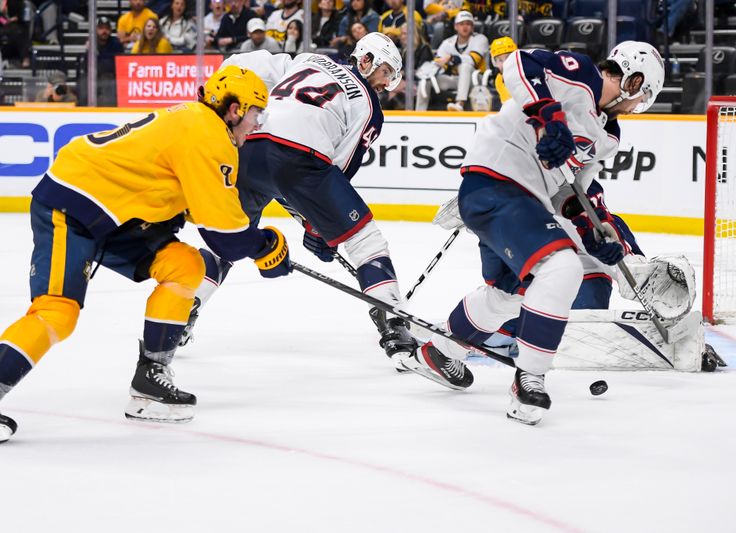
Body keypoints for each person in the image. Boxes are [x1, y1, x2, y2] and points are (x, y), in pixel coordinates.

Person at [0, 66, 292, 443]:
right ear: (235, 109)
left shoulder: (194, 121)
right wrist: (265, 245)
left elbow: (188, 205)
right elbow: (227, 239)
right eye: (256, 113)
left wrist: (253, 242)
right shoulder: (209, 135)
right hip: (73, 205)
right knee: (58, 311)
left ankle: (150, 380)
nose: (256, 124)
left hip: (116, 212)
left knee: (187, 267)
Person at [400, 42, 665, 425]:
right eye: (640, 97)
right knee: (563, 269)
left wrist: (593, 235)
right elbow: (520, 63)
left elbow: (571, 192)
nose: (635, 107)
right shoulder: (581, 74)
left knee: (509, 295)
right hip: (497, 179)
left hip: (526, 199)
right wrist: (548, 116)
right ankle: (530, 378)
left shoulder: (608, 137)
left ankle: (440, 353)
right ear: (632, 80)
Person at [182, 34, 418, 370]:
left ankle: (182, 311)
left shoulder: (304, 59)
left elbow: (238, 64)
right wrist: (318, 227)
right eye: (384, 72)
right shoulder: (368, 105)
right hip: (300, 159)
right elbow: (339, 168)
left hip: (249, 148)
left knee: (231, 236)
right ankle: (395, 328)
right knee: (366, 240)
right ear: (365, 60)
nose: (385, 83)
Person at [416, 10, 488, 111]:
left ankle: (459, 104)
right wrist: (429, 70)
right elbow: (438, 62)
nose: (465, 27)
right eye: (461, 24)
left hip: (476, 80)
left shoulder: (480, 39)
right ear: (455, 26)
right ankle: (419, 113)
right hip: (456, 79)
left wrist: (451, 58)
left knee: (465, 66)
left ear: (472, 27)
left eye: (468, 24)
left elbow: (472, 60)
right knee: (426, 80)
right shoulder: (447, 42)